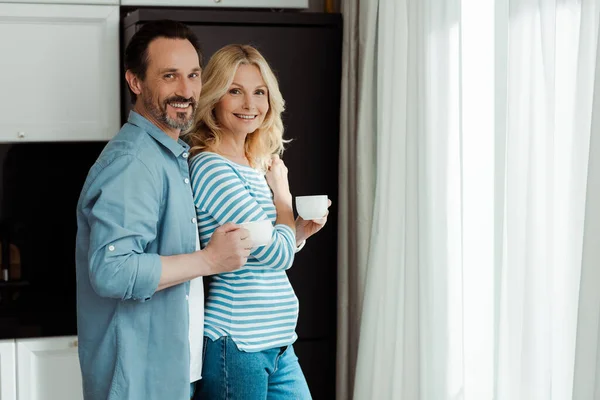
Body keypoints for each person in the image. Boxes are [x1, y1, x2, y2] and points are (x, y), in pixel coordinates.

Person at [75, 21, 252, 400]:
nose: (186, 91)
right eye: (169, 76)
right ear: (135, 82)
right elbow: (112, 271)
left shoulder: (170, 157)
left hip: (168, 373)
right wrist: (209, 260)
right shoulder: (134, 162)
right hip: (138, 380)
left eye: (193, 75)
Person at [185, 44, 331, 399]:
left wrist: (298, 232)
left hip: (277, 343)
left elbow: (266, 253)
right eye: (235, 91)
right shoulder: (210, 167)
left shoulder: (250, 163)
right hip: (237, 344)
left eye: (259, 92)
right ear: (215, 98)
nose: (250, 104)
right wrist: (283, 195)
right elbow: (277, 256)